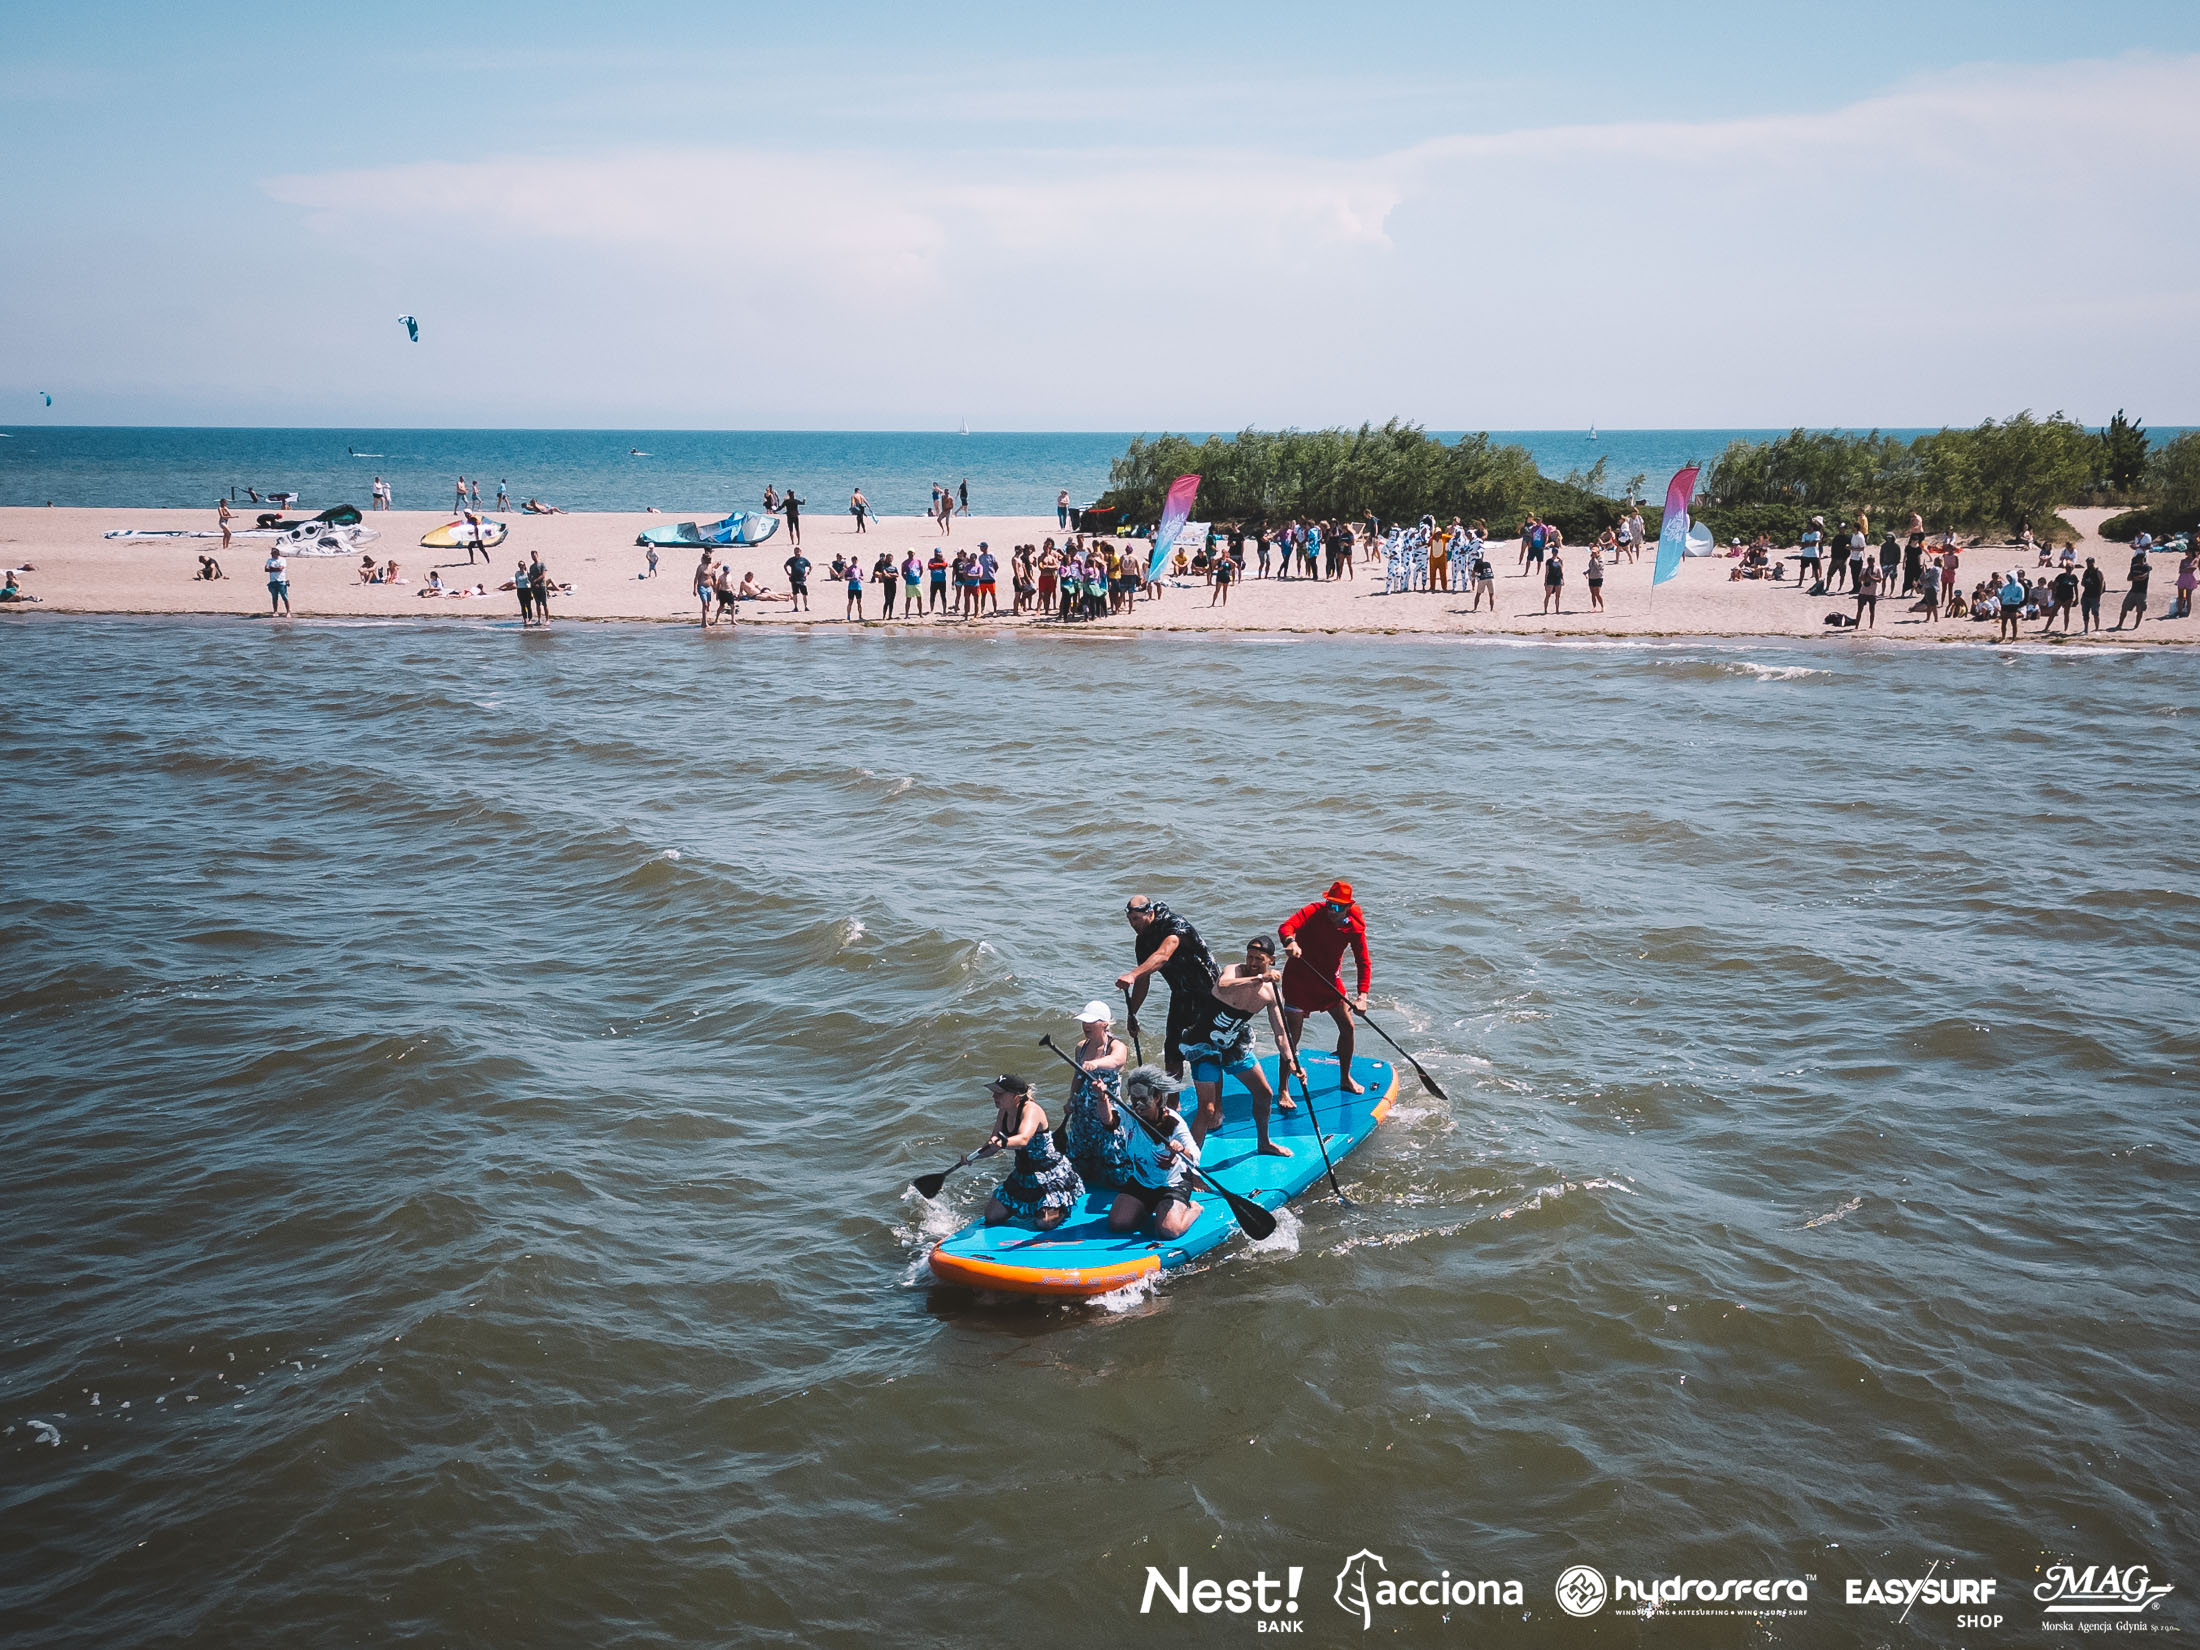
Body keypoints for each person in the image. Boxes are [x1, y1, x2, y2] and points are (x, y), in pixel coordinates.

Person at [1177, 936, 1303, 1152]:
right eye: (1249, 957)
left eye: (1259, 959)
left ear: (1272, 960)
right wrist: (1260, 978)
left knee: (1264, 1094)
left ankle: (1264, 1143)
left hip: (1234, 1044)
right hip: (1204, 1045)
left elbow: (1281, 1033)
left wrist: (1291, 1061)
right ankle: (1190, 1165)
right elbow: (1223, 985)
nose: (1252, 963)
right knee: (1207, 1110)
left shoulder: (1272, 994)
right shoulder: (1234, 971)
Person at [1277, 882, 1371, 1095]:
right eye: (1329, 904)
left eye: (1337, 907)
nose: (1331, 910)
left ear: (1348, 907)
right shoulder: (1313, 911)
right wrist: (1291, 941)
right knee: (1293, 1035)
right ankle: (1283, 1089)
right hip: (1298, 981)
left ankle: (1345, 1077)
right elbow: (1286, 927)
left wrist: (1362, 996)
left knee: (1348, 1027)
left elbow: (1363, 962)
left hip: (1328, 983)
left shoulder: (1354, 926)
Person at [1116, 895, 1221, 1079]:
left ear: (1149, 913)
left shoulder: (1175, 924)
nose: (1132, 924)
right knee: (1172, 1050)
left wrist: (1132, 974)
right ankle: (1173, 1104)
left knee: (1204, 1051)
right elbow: (1143, 979)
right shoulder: (1142, 941)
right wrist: (1132, 1012)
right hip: (1181, 995)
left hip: (1209, 993)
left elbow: (1163, 955)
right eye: (1129, 920)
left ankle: (1214, 1102)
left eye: (1135, 919)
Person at [1104, 1066, 1200, 1239]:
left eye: (1143, 1099)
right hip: (1143, 1181)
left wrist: (1181, 1150)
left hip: (1173, 1182)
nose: (1138, 1105)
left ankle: (1194, 1209)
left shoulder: (1173, 1121)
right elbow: (1108, 1121)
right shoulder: (1129, 1114)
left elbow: (1195, 1156)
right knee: (1118, 1224)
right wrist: (1101, 1097)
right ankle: (1149, 1207)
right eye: (1134, 1099)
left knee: (1169, 1231)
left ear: (1156, 1097)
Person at [977, 1074, 1082, 1230]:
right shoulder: (1004, 1111)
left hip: (1047, 1174)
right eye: (994, 1092)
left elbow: (1023, 1139)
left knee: (1044, 1223)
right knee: (991, 1216)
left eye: (999, 1093)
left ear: (1015, 1096)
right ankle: (1035, 1206)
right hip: (1023, 1175)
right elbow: (992, 1145)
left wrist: (1002, 1142)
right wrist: (975, 1156)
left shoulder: (1031, 1110)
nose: (994, 1096)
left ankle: (1061, 1205)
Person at [1059, 1001, 1137, 1191]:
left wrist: (1096, 1064)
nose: (1086, 1025)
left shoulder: (1116, 1046)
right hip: (1082, 1113)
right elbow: (1077, 1077)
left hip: (1107, 1115)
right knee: (1078, 1168)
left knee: (1117, 1176)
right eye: (1084, 1021)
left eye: (1091, 1022)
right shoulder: (1081, 1047)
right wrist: (1071, 1099)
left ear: (1104, 1023)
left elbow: (1117, 1060)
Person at [2114, 548, 2150, 629]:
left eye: (2140, 559)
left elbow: (2143, 577)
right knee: (2124, 607)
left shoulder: (2146, 567)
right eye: (2137, 559)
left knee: (2140, 610)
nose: (2138, 560)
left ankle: (2136, 626)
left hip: (2142, 592)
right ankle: (2120, 624)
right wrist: (2136, 578)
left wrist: (2135, 578)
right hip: (2133, 590)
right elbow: (2129, 578)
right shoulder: (2134, 567)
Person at [2042, 564, 2078, 633]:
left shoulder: (2074, 577)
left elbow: (2075, 588)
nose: (2069, 569)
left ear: (2073, 569)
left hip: (2069, 597)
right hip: (2059, 596)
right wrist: (2053, 595)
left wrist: (2077, 598)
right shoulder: (2061, 576)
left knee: (2066, 613)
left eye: (2070, 568)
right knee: (2053, 612)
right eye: (2067, 568)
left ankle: (2066, 629)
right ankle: (2046, 627)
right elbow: (2053, 585)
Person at [1853, 553, 1880, 628]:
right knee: (1859, 610)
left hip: (1872, 593)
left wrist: (1871, 577)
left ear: (1874, 561)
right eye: (1869, 561)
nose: (1870, 562)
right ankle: (1856, 626)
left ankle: (1871, 626)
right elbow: (1859, 579)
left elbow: (1880, 580)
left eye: (1871, 561)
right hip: (1863, 592)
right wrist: (1865, 575)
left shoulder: (1877, 569)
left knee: (1872, 610)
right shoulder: (1864, 568)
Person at [262, 547, 291, 616]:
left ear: (277, 554)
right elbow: (266, 569)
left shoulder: (282, 560)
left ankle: (288, 612)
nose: (272, 555)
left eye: (273, 553)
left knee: (284, 596)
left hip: (281, 580)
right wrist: (274, 569)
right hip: (273, 581)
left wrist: (271, 568)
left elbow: (280, 569)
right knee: (274, 597)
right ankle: (275, 611)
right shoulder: (269, 560)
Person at [1996, 570, 2025, 641]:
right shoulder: (2006, 586)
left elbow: (2021, 598)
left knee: (2013, 623)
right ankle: (2003, 637)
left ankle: (2014, 639)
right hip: (2005, 605)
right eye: (2008, 578)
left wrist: (2012, 599)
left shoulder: (2019, 587)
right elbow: (2001, 594)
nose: (2009, 579)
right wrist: (1998, 589)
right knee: (2004, 622)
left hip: (2013, 606)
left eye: (2010, 578)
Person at [2080, 556, 2105, 632]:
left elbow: (2102, 583)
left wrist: (2099, 594)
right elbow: (2082, 582)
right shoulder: (2086, 571)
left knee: (2095, 613)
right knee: (2085, 613)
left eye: (2090, 563)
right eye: (2087, 563)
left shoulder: (2098, 571)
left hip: (2095, 596)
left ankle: (2097, 628)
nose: (2088, 564)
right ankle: (2086, 628)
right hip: (2086, 595)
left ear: (2093, 562)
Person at [528, 551, 553, 623]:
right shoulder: (532, 567)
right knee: (537, 604)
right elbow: (530, 577)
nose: (533, 557)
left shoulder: (542, 565)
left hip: (542, 586)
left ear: (537, 555)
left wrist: (535, 581)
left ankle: (547, 619)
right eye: (532, 556)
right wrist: (532, 582)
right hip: (535, 587)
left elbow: (543, 575)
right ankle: (539, 619)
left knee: (544, 603)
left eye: (534, 555)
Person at [783, 548, 811, 613]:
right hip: (794, 579)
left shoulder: (803, 560)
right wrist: (788, 573)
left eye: (798, 551)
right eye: (796, 551)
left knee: (804, 593)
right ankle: (795, 607)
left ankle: (806, 607)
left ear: (800, 552)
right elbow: (785, 565)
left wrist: (807, 573)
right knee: (795, 594)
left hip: (802, 579)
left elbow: (810, 566)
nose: (797, 553)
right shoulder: (791, 560)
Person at [873, 551, 898, 617]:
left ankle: (890, 615)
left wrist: (891, 574)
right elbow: (885, 575)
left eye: (891, 558)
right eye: (889, 558)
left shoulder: (894, 567)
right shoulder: (884, 566)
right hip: (887, 584)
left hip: (893, 584)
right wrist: (892, 575)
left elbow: (897, 574)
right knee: (887, 600)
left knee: (892, 601)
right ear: (886, 559)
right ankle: (884, 616)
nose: (890, 560)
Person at [2175, 548, 2197, 619]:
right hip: (2182, 578)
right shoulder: (2183, 560)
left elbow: (2193, 568)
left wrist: (2185, 569)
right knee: (2180, 597)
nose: (2186, 553)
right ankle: (2179, 612)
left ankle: (2188, 612)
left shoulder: (2195, 560)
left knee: (2188, 597)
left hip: (2190, 579)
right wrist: (2187, 569)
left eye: (2188, 552)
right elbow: (2180, 570)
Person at [1542, 545, 1565, 613]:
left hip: (1558, 579)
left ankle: (1557, 610)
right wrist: (1545, 581)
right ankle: (1545, 610)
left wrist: (1563, 579)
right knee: (1548, 595)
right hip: (1550, 578)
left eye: (1556, 552)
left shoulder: (1560, 560)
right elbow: (1547, 572)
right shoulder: (1549, 561)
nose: (1555, 553)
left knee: (1557, 596)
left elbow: (1561, 571)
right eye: (1554, 552)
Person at [843, 554, 865, 620]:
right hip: (851, 588)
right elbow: (846, 578)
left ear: (857, 560)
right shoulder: (850, 568)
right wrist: (852, 578)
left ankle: (860, 616)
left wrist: (861, 577)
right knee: (850, 602)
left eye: (855, 560)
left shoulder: (859, 568)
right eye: (853, 560)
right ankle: (848, 616)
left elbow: (862, 577)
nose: (854, 561)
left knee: (859, 602)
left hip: (858, 587)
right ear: (852, 560)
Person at [1585, 547, 1606, 611]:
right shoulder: (1592, 559)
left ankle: (1602, 606)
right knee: (1592, 594)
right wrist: (1586, 572)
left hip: (1598, 577)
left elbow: (1598, 567)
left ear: (1598, 552)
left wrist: (1594, 558)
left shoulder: (1601, 559)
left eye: (1594, 552)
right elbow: (1591, 567)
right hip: (1591, 577)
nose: (1593, 553)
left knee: (1597, 593)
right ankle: (1594, 607)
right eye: (1592, 552)